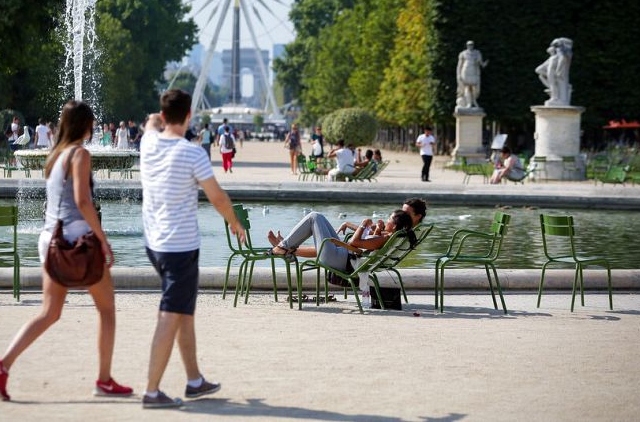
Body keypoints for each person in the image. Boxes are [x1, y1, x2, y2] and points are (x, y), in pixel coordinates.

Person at [0, 101, 130, 402]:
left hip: (50, 238)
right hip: (76, 239)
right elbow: (83, 201)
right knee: (107, 309)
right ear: (85, 125)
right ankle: (104, 380)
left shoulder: (55, 155)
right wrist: (102, 238)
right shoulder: (80, 154)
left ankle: (2, 365)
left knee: (50, 313)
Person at [139, 89, 245, 409]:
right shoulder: (192, 153)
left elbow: (149, 123)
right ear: (189, 116)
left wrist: (155, 119)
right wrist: (234, 222)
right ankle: (152, 391)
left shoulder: (148, 143)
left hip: (154, 243)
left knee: (184, 312)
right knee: (170, 315)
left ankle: (195, 380)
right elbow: (217, 197)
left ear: (164, 115)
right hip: (179, 248)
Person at [265, 198, 427, 271]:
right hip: (344, 255)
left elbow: (357, 243)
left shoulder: (390, 236)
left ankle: (284, 246)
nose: (387, 219)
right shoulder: (396, 235)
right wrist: (376, 230)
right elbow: (370, 245)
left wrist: (363, 225)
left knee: (314, 217)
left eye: (390, 219)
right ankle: (287, 247)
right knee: (319, 218)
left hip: (341, 259)